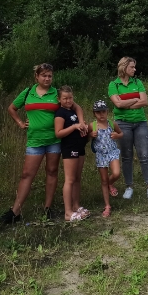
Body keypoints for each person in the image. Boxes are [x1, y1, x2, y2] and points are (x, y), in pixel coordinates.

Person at [0, 64, 85, 224]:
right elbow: (12, 108)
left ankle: (48, 208)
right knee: (27, 174)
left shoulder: (56, 93)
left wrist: (81, 122)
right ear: (37, 77)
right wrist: (19, 122)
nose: (47, 78)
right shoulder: (28, 92)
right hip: (35, 140)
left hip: (54, 140)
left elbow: (76, 106)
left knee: (52, 172)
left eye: (49, 76)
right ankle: (15, 211)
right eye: (43, 75)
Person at [108, 57, 148, 200]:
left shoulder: (138, 82)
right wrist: (135, 100)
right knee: (126, 156)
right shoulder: (114, 84)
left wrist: (126, 103)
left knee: (144, 155)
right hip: (122, 124)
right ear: (124, 68)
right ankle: (129, 186)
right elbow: (117, 105)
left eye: (135, 67)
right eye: (132, 67)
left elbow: (145, 101)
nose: (135, 69)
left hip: (140, 123)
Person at [54, 85, 88, 222]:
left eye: (70, 98)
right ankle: (68, 213)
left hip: (79, 146)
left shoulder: (72, 109)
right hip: (69, 148)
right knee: (70, 179)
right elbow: (58, 133)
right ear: (59, 99)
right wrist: (74, 127)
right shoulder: (60, 113)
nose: (68, 101)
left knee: (77, 178)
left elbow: (78, 108)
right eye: (65, 98)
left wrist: (82, 124)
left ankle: (76, 206)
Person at [88, 100, 123, 218]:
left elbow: (121, 133)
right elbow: (85, 138)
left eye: (103, 111)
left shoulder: (112, 124)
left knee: (116, 173)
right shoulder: (92, 126)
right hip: (101, 155)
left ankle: (110, 183)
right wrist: (90, 135)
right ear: (94, 113)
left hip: (112, 152)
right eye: (98, 112)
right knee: (103, 180)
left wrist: (117, 135)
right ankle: (107, 205)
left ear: (107, 112)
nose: (101, 114)